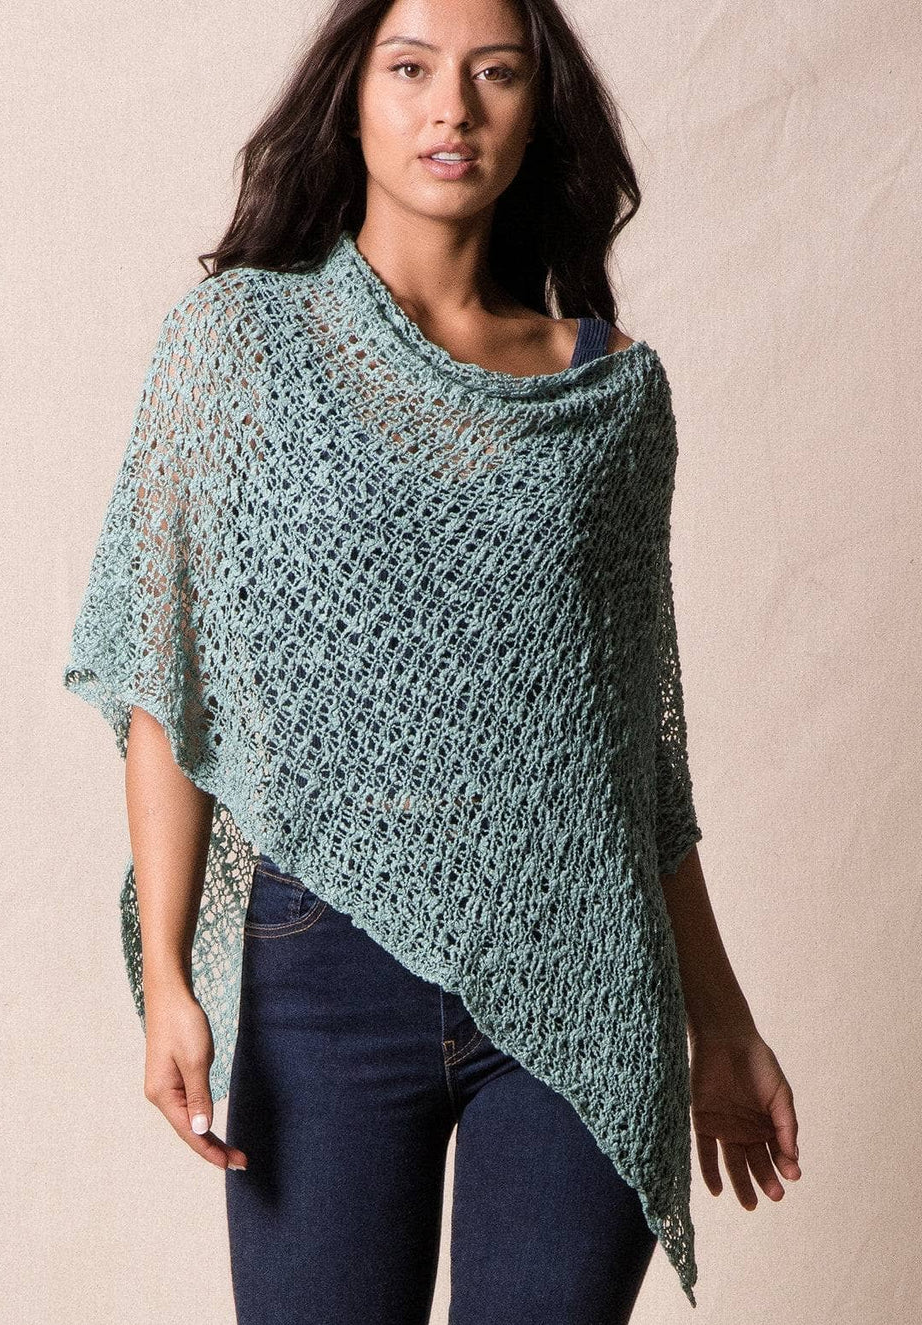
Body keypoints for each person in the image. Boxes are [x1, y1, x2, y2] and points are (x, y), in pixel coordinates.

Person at [64, 0, 802, 1320]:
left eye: (495, 72)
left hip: (582, 965)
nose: (451, 107)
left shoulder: (614, 395)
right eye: (411, 69)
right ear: (352, 98)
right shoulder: (237, 344)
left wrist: (723, 1018)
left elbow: (638, 766)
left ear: (537, 110)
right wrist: (169, 976)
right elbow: (166, 676)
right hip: (319, 974)